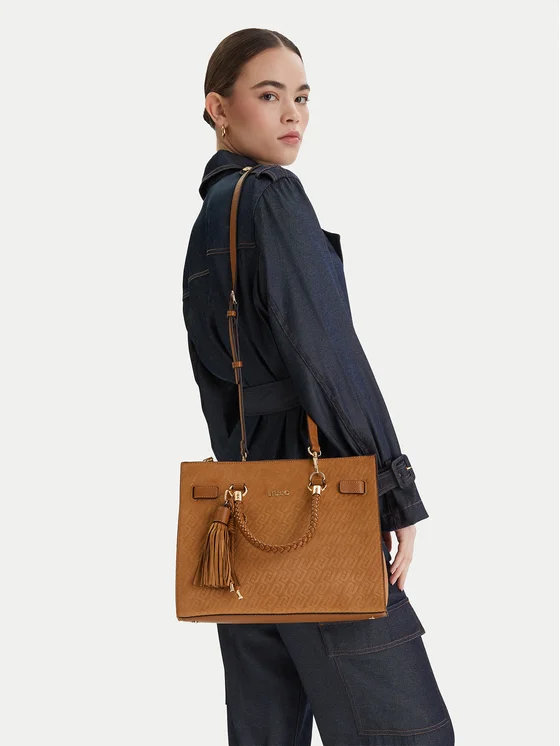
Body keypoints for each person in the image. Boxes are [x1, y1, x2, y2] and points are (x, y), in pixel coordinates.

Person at [182, 27, 455, 746]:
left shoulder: (209, 219)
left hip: (240, 521)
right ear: (218, 107)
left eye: (301, 97)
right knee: (410, 734)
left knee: (266, 734)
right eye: (269, 95)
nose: (292, 114)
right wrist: (393, 488)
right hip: (315, 512)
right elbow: (328, 357)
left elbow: (219, 385)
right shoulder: (272, 198)